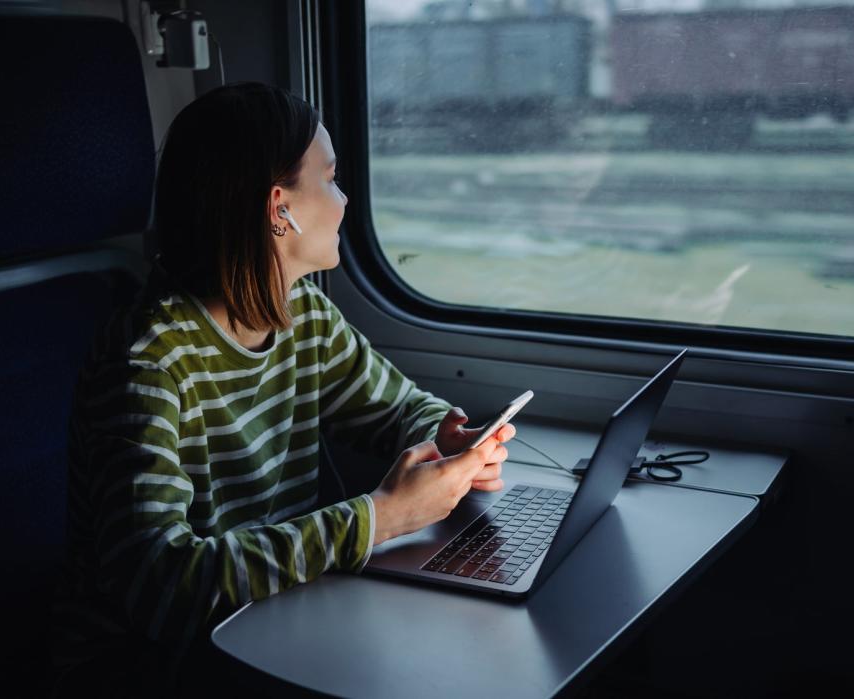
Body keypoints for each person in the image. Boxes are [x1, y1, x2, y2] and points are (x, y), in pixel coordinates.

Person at [49, 82, 515, 697]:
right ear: (279, 207)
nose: (345, 201)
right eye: (330, 179)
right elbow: (161, 588)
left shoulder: (303, 317)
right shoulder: (147, 362)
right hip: (157, 666)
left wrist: (446, 437)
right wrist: (380, 518)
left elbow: (399, 407)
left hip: (280, 616)